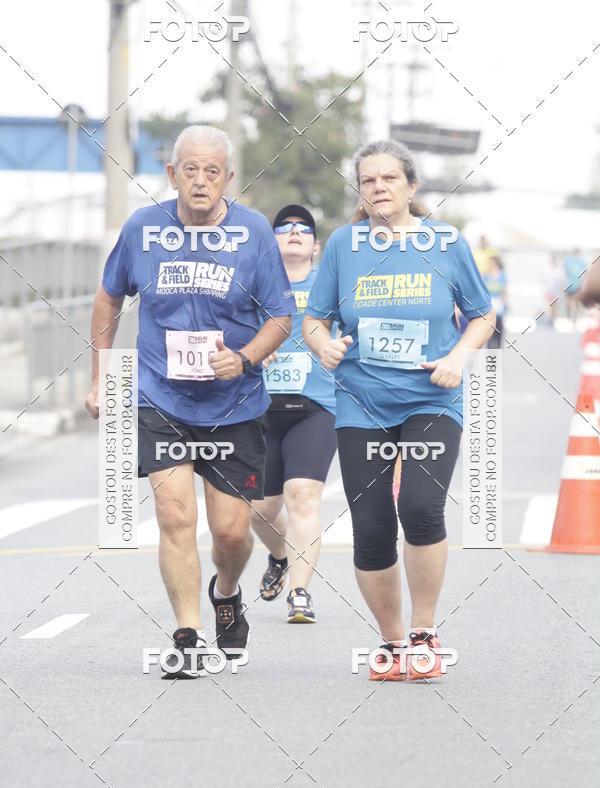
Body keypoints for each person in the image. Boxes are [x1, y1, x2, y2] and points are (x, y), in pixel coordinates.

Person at [85, 125, 294, 678]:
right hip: (161, 398)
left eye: (212, 171)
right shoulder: (143, 228)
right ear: (172, 175)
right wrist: (102, 376)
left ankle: (226, 593)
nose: (200, 181)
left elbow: (281, 317)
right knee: (174, 515)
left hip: (235, 404)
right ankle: (189, 633)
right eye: (190, 170)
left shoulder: (252, 233)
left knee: (229, 532)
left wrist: (245, 358)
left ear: (227, 178)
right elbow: (109, 297)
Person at [303, 139, 495, 681]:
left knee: (420, 507)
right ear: (360, 192)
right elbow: (313, 319)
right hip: (362, 400)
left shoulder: (445, 242)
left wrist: (459, 356)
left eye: (389, 179)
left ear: (411, 187)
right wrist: (324, 346)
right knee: (370, 525)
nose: (379, 188)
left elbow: (482, 314)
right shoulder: (344, 244)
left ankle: (424, 633)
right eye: (368, 181)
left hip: (432, 396)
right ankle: (390, 642)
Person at [250, 205, 337, 623]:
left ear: (316, 245)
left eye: (304, 228)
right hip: (259, 409)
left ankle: (300, 592)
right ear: (272, 241)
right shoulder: (253, 281)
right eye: (284, 227)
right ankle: (280, 556)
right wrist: (252, 350)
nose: (295, 232)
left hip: (315, 408)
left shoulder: (331, 283)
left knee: (303, 495)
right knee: (258, 509)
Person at [484, 256, 507, 349]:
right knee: (489, 333)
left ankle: (498, 353)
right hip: (489, 309)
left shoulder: (502, 276)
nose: (490, 265)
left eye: (492, 263)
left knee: (498, 332)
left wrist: (502, 301)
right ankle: (490, 357)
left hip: (499, 309)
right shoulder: (486, 276)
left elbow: (505, 292)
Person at [563, 248, 587, 322]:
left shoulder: (582, 261)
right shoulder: (568, 261)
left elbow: (585, 273)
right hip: (569, 285)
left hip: (577, 285)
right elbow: (564, 273)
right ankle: (569, 316)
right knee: (569, 303)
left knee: (575, 302)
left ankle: (574, 319)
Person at [543, 252, 565, 326]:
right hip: (550, 290)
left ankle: (552, 319)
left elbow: (562, 280)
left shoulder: (559, 269)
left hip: (557, 290)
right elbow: (545, 280)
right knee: (551, 305)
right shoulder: (547, 269)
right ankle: (550, 319)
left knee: (555, 306)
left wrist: (562, 289)